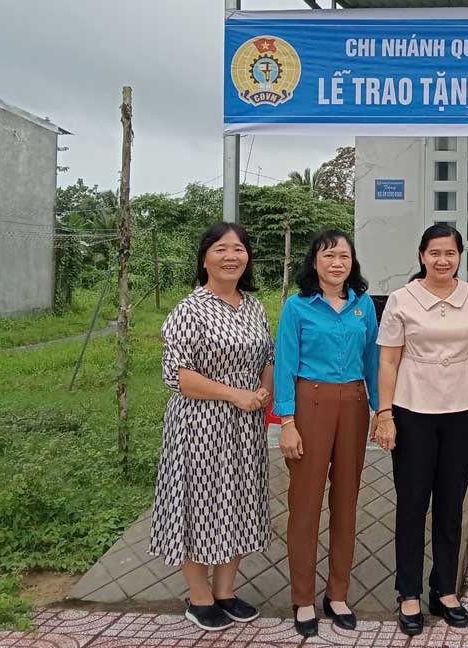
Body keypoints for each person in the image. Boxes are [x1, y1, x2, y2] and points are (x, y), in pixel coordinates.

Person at [373, 224, 468, 636]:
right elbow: (388, 361)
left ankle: (444, 589)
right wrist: (385, 413)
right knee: (412, 505)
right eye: (434, 253)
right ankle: (407, 592)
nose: (442, 260)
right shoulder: (401, 300)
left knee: (450, 504)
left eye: (450, 253)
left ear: (460, 256)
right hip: (412, 412)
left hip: (460, 412)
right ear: (422, 255)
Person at [149, 222, 274, 632]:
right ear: (205, 257)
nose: (231, 256)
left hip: (246, 426)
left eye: (239, 248)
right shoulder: (190, 308)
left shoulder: (253, 306)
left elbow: (267, 355)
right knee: (199, 504)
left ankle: (225, 591)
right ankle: (199, 597)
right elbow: (179, 376)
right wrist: (234, 394)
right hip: (199, 425)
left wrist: (262, 390)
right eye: (221, 249)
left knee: (238, 503)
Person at [274, 229, 380, 638]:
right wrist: (287, 422)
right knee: (305, 503)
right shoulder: (298, 307)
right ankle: (303, 598)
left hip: (353, 403)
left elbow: (371, 358)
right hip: (309, 403)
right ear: (314, 262)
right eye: (328, 256)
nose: (337, 264)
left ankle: (337, 594)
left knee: (346, 500)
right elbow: (285, 364)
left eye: (344, 257)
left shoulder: (363, 305)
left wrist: (380, 411)